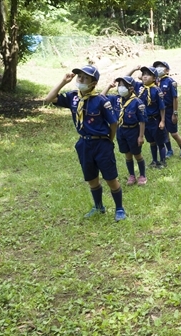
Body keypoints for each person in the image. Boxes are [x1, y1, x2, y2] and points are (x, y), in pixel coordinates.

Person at [44, 65, 127, 221]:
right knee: (91, 178)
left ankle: (120, 208)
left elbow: (113, 123)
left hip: (101, 144)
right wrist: (63, 82)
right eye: (79, 77)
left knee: (110, 178)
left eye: (85, 78)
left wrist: (109, 140)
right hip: (84, 144)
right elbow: (48, 99)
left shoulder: (101, 101)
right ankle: (98, 207)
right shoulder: (73, 97)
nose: (80, 80)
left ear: (93, 83)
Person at [102, 76, 148, 186]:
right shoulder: (116, 99)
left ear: (131, 88)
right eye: (120, 85)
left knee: (137, 154)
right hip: (121, 130)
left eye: (124, 86)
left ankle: (142, 175)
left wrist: (141, 136)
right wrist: (109, 86)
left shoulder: (137, 102)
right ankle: (131, 175)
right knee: (127, 154)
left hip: (133, 131)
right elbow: (101, 97)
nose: (120, 88)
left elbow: (142, 120)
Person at [154, 60, 181, 159]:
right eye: (157, 67)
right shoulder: (155, 82)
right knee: (164, 131)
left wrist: (175, 113)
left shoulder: (170, 82)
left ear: (167, 70)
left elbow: (175, 98)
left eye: (161, 66)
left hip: (169, 110)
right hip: (160, 111)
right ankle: (169, 150)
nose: (158, 68)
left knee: (173, 133)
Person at [138, 66, 167, 168]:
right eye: (143, 75)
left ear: (154, 78)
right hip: (146, 121)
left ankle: (163, 161)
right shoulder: (141, 89)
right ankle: (154, 161)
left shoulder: (156, 90)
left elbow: (162, 107)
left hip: (155, 119)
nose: (145, 77)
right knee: (151, 141)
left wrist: (162, 121)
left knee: (160, 141)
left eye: (148, 75)